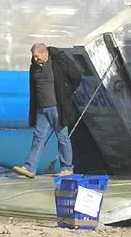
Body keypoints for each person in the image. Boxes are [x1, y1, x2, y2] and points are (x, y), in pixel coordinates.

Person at [11, 43, 82, 179]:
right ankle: (29, 167)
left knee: (62, 137)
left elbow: (76, 77)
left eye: (37, 56)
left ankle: (67, 168)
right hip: (41, 109)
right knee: (38, 137)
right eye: (33, 57)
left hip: (57, 107)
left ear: (44, 53)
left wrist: (66, 93)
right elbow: (33, 89)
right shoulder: (34, 68)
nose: (35, 59)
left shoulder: (58, 62)